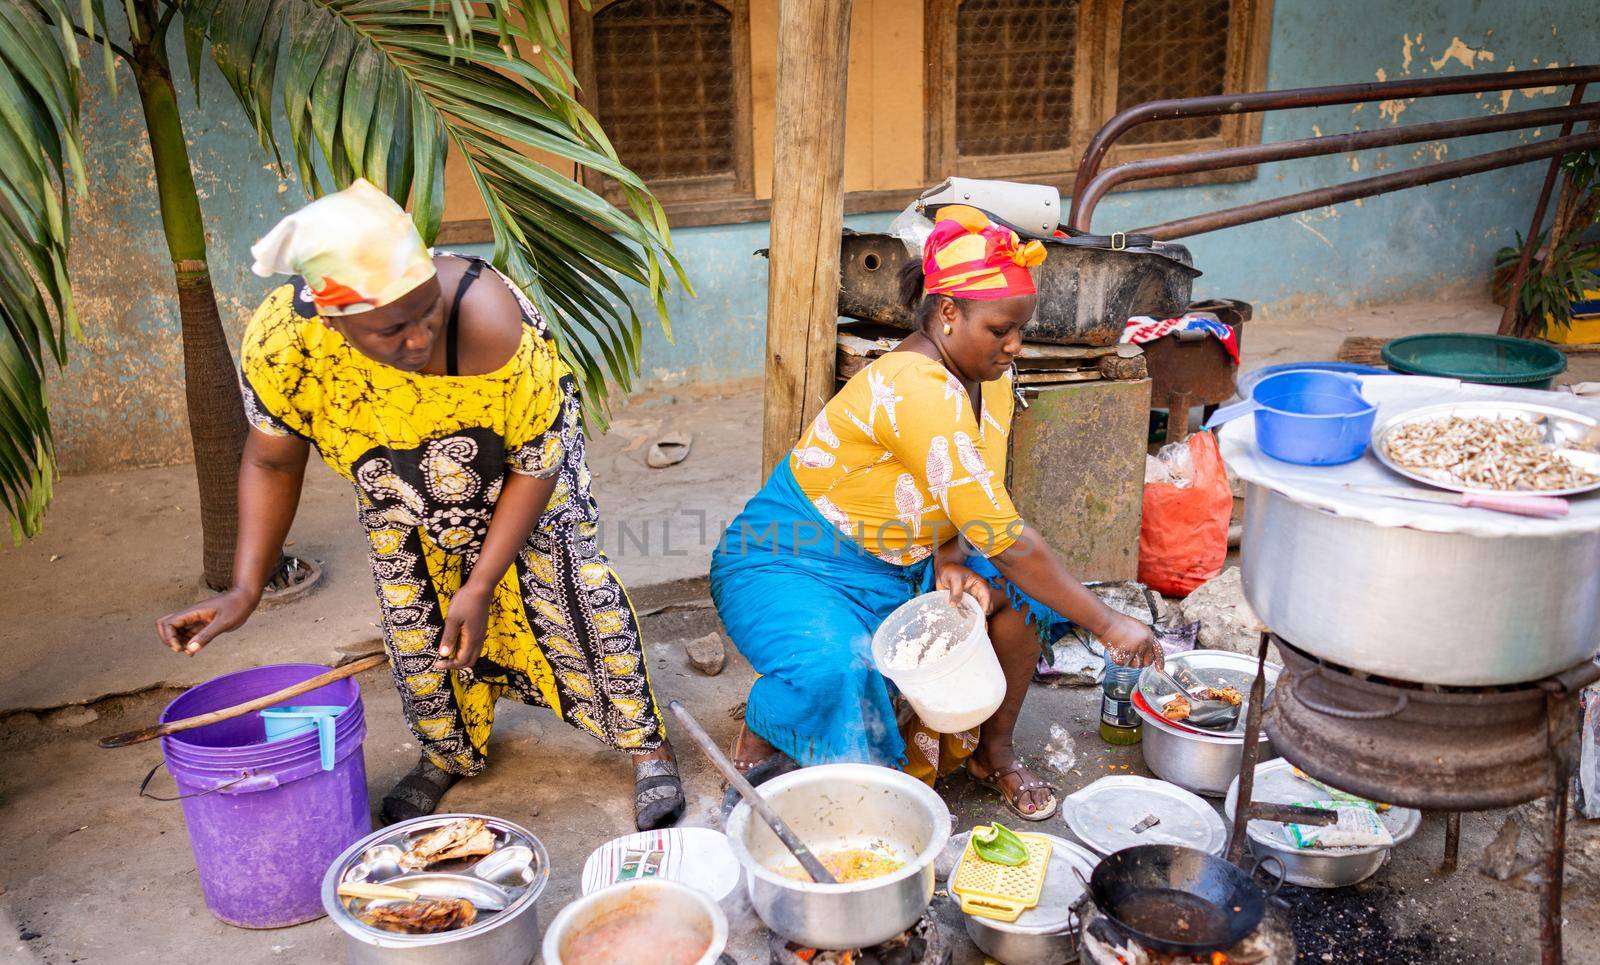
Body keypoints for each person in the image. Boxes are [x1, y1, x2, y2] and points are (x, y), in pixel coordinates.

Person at [156, 180, 684, 830]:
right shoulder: (285, 346)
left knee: (575, 600)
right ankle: (449, 751)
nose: (419, 337)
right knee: (420, 628)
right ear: (332, 317)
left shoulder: (489, 322)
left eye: (427, 310)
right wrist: (244, 587)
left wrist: (484, 580)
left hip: (524, 482)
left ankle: (644, 745)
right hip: (398, 494)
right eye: (392, 328)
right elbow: (271, 459)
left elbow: (535, 463)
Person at [710, 205, 1162, 820]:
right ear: (948, 314)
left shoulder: (988, 375)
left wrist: (949, 555)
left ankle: (992, 756)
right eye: (1002, 328)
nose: (1015, 345)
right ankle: (772, 722)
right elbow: (1007, 537)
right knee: (846, 669)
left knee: (1020, 603)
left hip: (898, 560)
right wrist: (1110, 624)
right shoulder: (913, 388)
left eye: (1019, 329)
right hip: (784, 562)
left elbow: (963, 490)